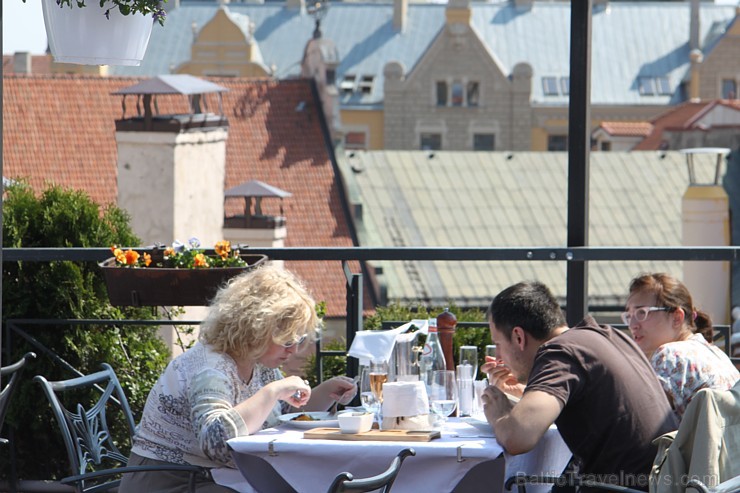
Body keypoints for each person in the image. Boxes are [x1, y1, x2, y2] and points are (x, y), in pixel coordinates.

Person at [120, 263, 357, 493]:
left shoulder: (255, 360)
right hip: (168, 478)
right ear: (256, 329)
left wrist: (325, 392)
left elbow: (283, 411)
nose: (293, 350)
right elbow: (217, 445)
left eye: (299, 340)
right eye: (287, 341)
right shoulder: (211, 369)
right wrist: (272, 391)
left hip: (210, 474)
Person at [480, 281, 677, 492]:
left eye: (498, 344)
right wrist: (527, 390)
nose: (498, 357)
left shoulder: (559, 353)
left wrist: (499, 414)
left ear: (519, 337)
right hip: (664, 481)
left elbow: (518, 438)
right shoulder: (608, 335)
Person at [624, 273, 739, 420]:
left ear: (677, 317)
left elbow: (643, 425)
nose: (632, 325)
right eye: (628, 315)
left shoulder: (669, 355)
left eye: (642, 313)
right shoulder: (717, 354)